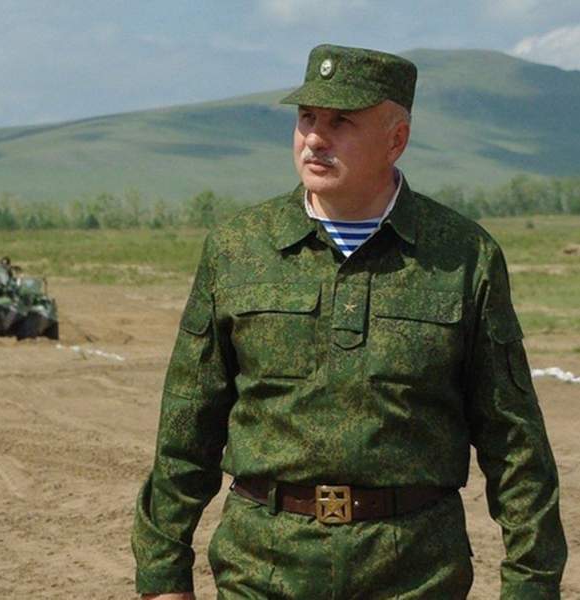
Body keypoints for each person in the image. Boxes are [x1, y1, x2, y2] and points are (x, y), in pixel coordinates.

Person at [131, 44, 566, 599]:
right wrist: (163, 575)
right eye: (307, 117)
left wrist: (532, 584)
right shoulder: (238, 249)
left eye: (341, 122)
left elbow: (515, 440)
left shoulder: (463, 256)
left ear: (396, 139)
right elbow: (187, 426)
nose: (314, 138)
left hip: (415, 575)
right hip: (263, 569)